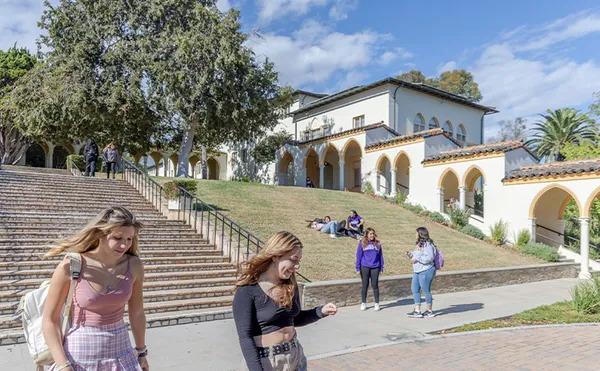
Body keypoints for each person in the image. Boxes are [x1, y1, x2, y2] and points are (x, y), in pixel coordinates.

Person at [42, 206, 149, 371]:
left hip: (121, 350)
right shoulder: (70, 266)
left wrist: (142, 353)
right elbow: (50, 320)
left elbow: (137, 313)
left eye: (129, 239)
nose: (124, 245)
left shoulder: (134, 265)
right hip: (80, 354)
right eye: (118, 238)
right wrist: (63, 365)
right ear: (101, 234)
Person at [233, 231, 337, 371]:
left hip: (295, 356)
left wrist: (320, 311)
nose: (297, 266)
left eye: (298, 261)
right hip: (267, 361)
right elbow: (245, 337)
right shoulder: (247, 291)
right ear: (276, 256)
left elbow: (294, 318)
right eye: (293, 259)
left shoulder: (289, 285)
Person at [406, 227, 437, 318]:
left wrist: (417, 258)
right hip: (417, 270)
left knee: (425, 290)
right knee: (414, 289)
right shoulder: (419, 245)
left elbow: (430, 258)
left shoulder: (428, 245)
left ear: (420, 234)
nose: (415, 235)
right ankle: (417, 310)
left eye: (416, 233)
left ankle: (429, 311)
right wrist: (410, 254)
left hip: (426, 270)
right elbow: (417, 256)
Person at [355, 227, 384, 311]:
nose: (372, 235)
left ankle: (377, 303)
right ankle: (363, 303)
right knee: (365, 285)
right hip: (364, 266)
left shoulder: (378, 244)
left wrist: (381, 267)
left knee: (375, 285)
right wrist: (357, 268)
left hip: (375, 267)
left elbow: (381, 256)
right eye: (370, 234)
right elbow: (358, 256)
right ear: (367, 235)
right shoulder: (362, 243)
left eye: (373, 234)